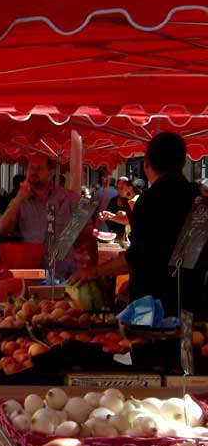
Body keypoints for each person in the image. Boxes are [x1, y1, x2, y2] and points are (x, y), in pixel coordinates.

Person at [71, 133, 207, 317]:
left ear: (146, 164)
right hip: (192, 305)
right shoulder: (199, 200)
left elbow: (138, 257)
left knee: (151, 344)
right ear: (183, 162)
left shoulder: (150, 201)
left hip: (151, 310)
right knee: (187, 346)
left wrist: (94, 272)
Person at [0, 154, 81, 279]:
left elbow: (86, 234)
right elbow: (2, 229)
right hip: (31, 272)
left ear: (49, 172)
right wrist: (19, 198)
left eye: (39, 168)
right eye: (31, 168)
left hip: (64, 273)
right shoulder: (20, 200)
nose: (34, 172)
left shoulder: (68, 197)